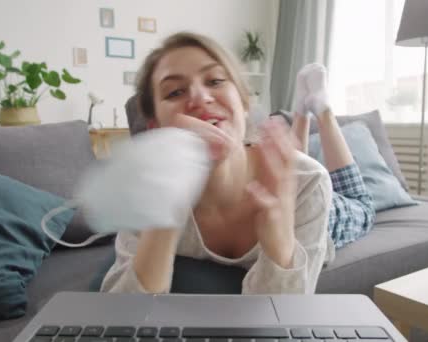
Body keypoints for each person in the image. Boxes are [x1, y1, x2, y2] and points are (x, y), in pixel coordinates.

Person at [101, 32, 334, 295]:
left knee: (359, 204)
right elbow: (122, 315)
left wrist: (279, 243)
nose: (200, 98)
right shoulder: (144, 190)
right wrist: (164, 209)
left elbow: (282, 321)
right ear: (155, 127)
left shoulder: (308, 181)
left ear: (244, 103)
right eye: (175, 92)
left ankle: (320, 109)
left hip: (333, 216)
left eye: (215, 81)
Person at [287, 63, 376, 249]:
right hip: (315, 212)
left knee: (294, 180)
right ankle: (314, 110)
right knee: (364, 207)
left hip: (299, 197)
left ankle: (306, 111)